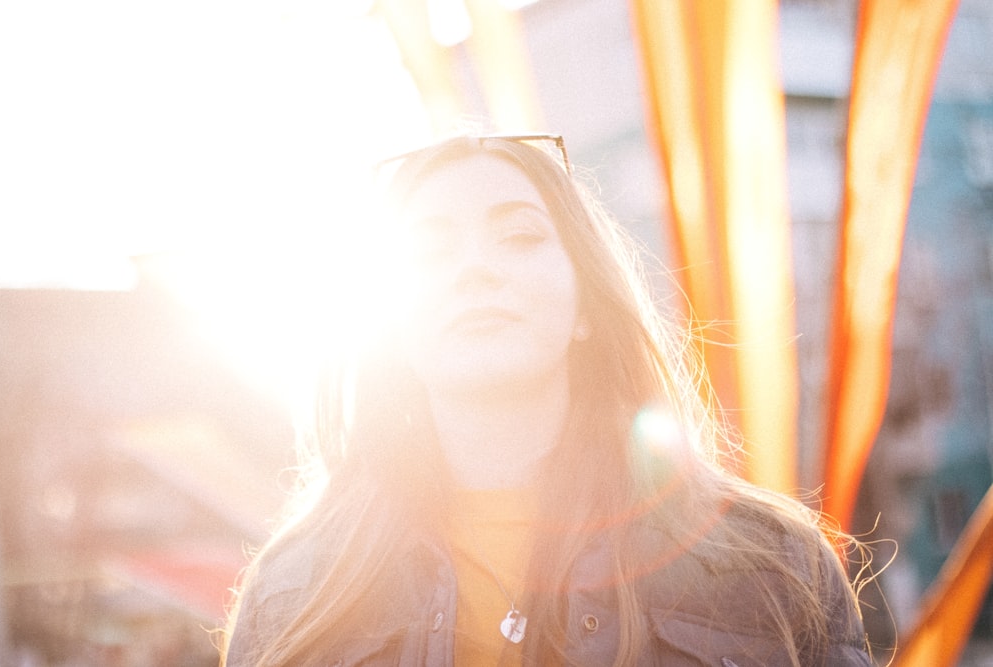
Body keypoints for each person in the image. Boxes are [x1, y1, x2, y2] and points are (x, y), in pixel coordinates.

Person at [220, 134, 871, 666]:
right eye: (429, 250)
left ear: (586, 302)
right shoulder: (292, 590)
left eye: (520, 236)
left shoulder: (772, 565)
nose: (474, 268)